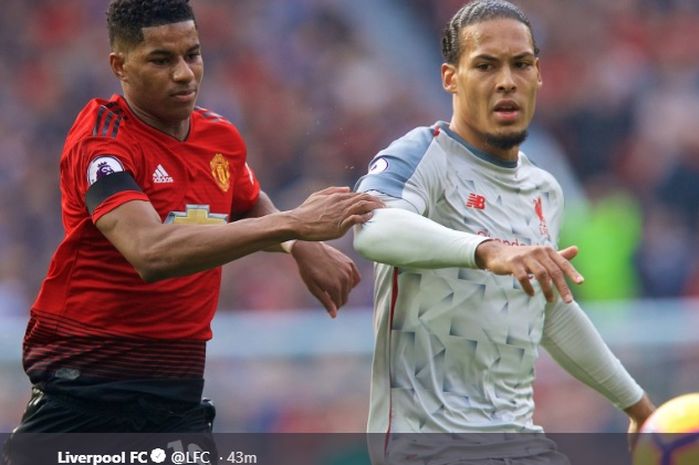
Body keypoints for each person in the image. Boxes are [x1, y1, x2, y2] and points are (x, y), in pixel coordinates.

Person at [9, 0, 382, 435]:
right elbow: (150, 252)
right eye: (161, 60)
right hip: (85, 393)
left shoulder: (218, 135)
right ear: (120, 65)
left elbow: (244, 199)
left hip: (175, 396)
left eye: (193, 54)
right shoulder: (102, 142)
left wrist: (298, 246)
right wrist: (294, 225)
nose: (184, 73)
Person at [353, 1, 654, 463]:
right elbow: (373, 228)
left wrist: (636, 404)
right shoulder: (422, 156)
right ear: (450, 78)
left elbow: (551, 310)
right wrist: (485, 249)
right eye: (486, 66)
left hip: (519, 441)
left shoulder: (544, 189)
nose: (507, 80)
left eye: (521, 64)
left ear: (538, 75)